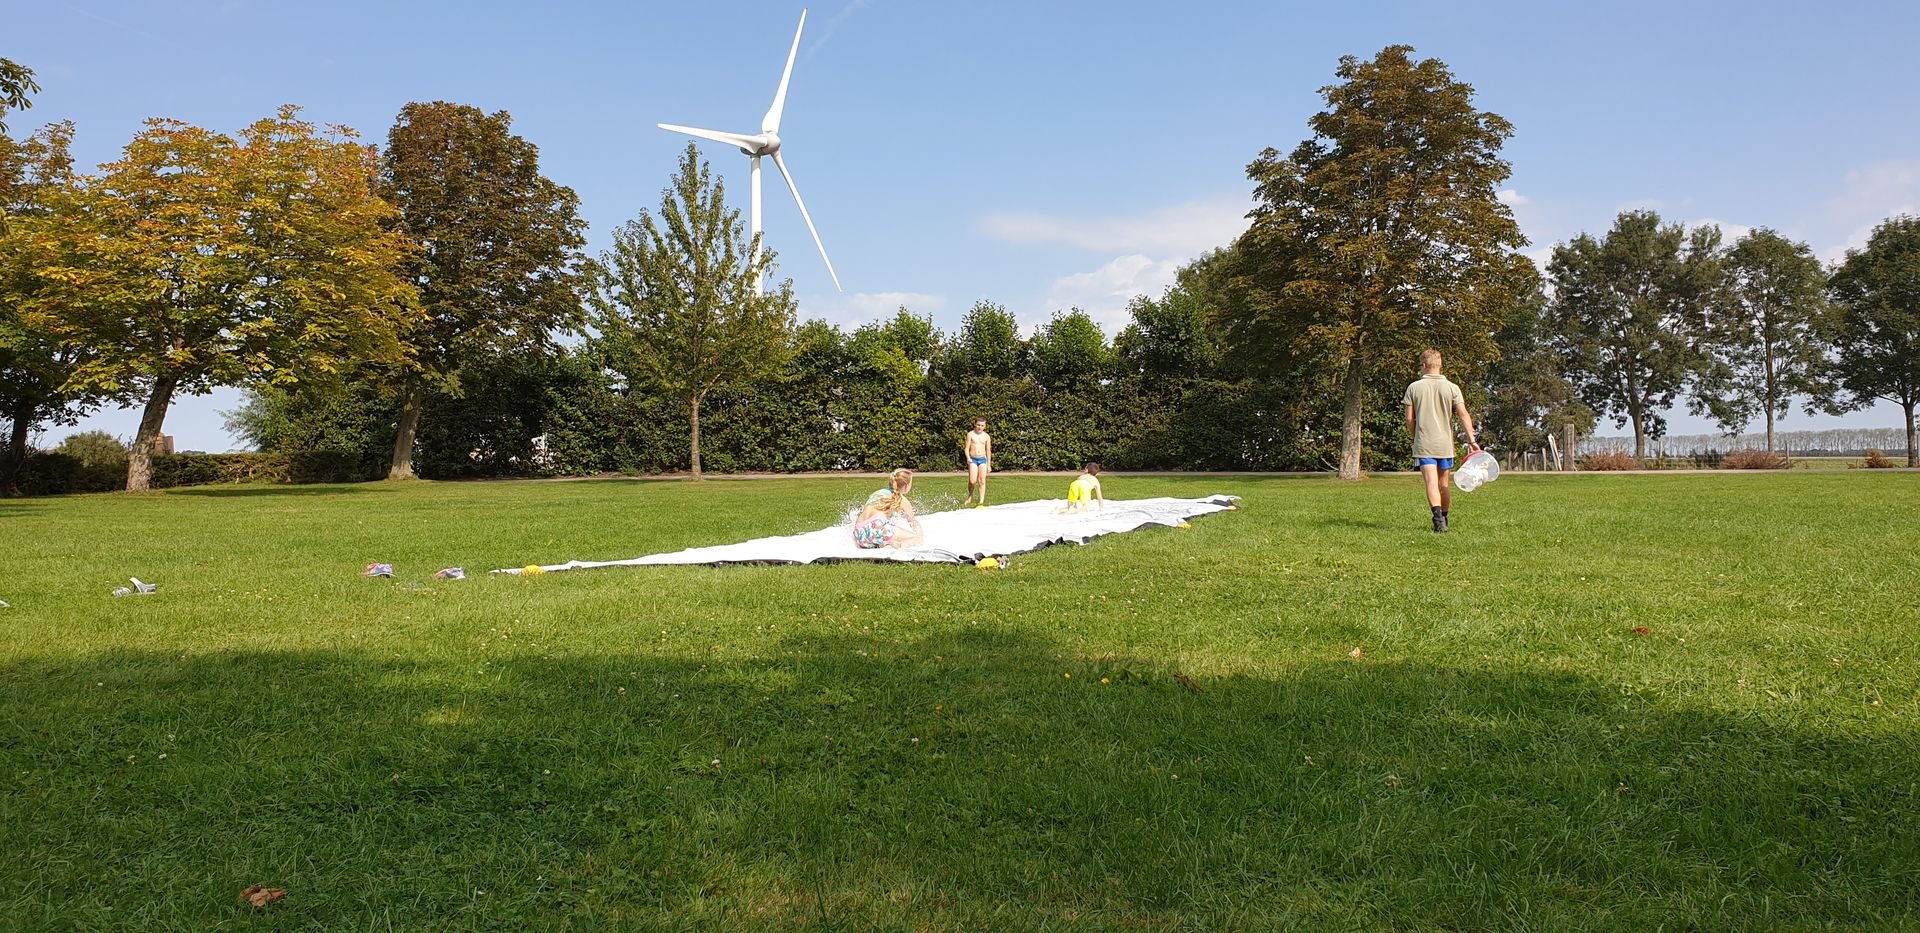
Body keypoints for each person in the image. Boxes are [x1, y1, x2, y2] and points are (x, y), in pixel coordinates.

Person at [1403, 349, 1480, 533]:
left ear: (1423, 365)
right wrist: (1471, 440)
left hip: (1424, 443)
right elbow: (1463, 415)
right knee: (1444, 484)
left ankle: (1438, 521)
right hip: (1445, 444)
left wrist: (1415, 435)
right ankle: (1444, 518)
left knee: (1431, 482)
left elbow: (1409, 419)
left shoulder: (1413, 388)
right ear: (1440, 365)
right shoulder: (1452, 388)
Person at [853, 468, 925, 549]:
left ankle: (881, 542)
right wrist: (921, 534)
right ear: (906, 486)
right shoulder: (902, 499)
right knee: (918, 539)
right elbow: (913, 522)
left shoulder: (877, 493)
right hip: (877, 527)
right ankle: (893, 546)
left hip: (859, 533)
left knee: (881, 532)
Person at [963, 418, 993, 507]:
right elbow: (966, 448)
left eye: (982, 425)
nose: (980, 427)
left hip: (983, 460)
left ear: (985, 426)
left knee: (982, 481)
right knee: (972, 481)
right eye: (978, 425)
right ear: (975, 424)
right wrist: (968, 457)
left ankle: (981, 501)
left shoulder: (986, 436)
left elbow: (988, 451)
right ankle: (970, 496)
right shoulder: (970, 434)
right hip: (973, 459)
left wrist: (989, 465)